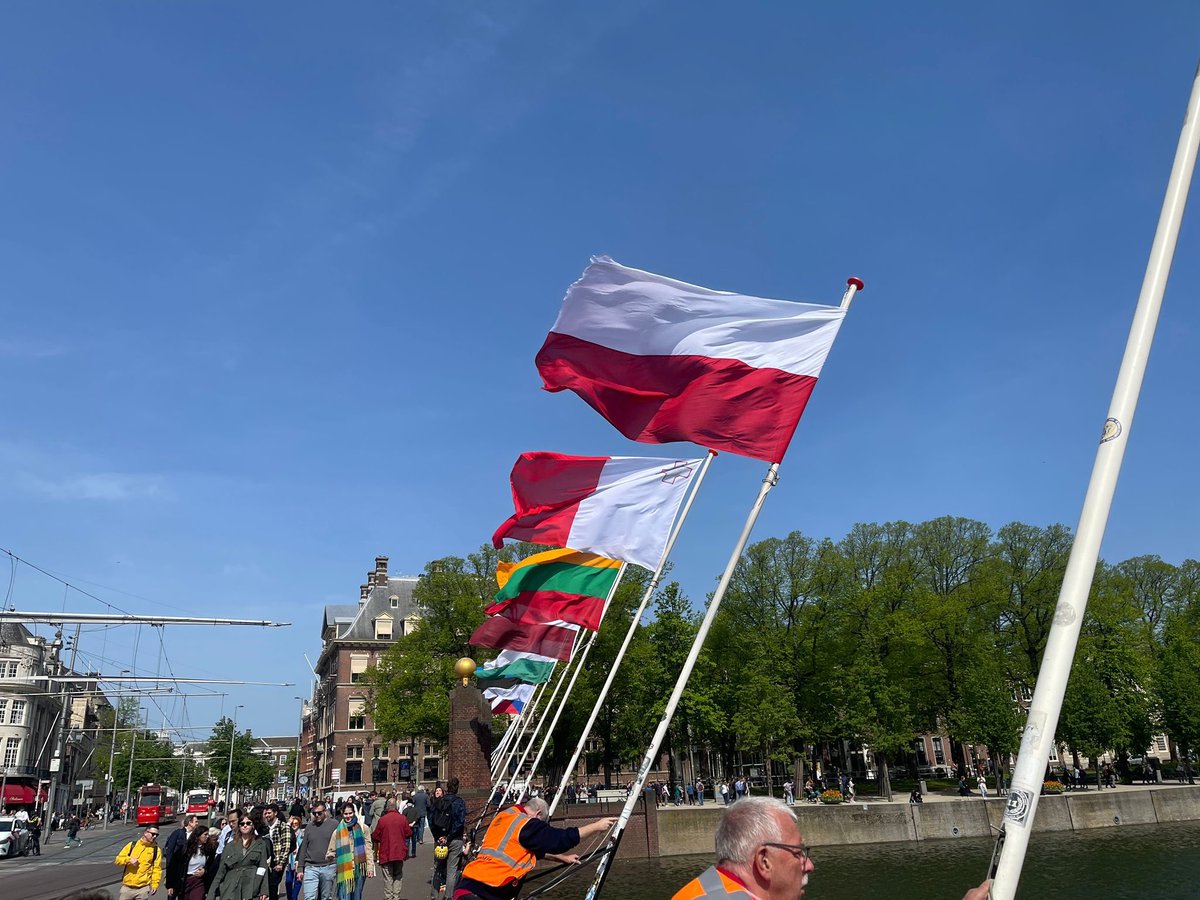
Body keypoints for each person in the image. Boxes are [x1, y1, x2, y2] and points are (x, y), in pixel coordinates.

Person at [455, 797, 615, 900]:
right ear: (538, 814)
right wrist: (596, 826)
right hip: (486, 892)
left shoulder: (505, 817)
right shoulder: (527, 824)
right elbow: (561, 840)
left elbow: (528, 849)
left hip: (466, 888)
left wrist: (563, 858)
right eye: (542, 823)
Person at [207, 812, 270, 900]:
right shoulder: (230, 846)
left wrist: (264, 890)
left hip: (251, 887)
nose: (245, 826)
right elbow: (220, 872)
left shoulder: (260, 844)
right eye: (242, 824)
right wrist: (211, 894)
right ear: (239, 826)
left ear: (253, 825)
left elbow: (263, 867)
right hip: (231, 888)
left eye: (248, 823)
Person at [325, 802, 371, 900]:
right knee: (344, 897)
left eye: (350, 813)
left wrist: (370, 867)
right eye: (346, 814)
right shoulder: (337, 832)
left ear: (354, 813)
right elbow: (331, 850)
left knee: (357, 896)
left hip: (359, 869)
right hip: (344, 869)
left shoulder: (363, 828)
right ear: (342, 814)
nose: (348, 816)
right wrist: (330, 855)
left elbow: (368, 848)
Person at [371, 798, 412, 900]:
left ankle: (389, 897)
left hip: (386, 852)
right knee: (398, 875)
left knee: (388, 877)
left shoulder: (382, 820)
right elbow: (408, 833)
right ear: (396, 807)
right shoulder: (402, 818)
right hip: (399, 852)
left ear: (387, 807)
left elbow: (375, 836)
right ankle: (396, 896)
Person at [295, 801, 337, 900]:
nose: (317, 815)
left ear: (325, 811)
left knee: (326, 897)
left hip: (329, 866)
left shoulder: (334, 824)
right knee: (309, 897)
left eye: (319, 813)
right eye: (314, 813)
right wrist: (300, 869)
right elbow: (304, 847)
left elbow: (340, 845)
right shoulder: (310, 826)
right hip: (311, 867)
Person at [167, 826, 218, 900]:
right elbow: (173, 867)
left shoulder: (209, 850)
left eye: (208, 835)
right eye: (205, 834)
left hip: (199, 881)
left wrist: (205, 870)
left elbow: (212, 866)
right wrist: (170, 885)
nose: (207, 837)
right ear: (198, 836)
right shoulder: (185, 849)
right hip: (185, 881)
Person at [115, 825, 164, 900]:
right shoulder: (132, 845)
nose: (154, 837)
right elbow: (118, 860)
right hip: (127, 888)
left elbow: (156, 869)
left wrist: (155, 884)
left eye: (156, 835)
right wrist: (129, 860)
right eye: (153, 834)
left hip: (143, 889)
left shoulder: (156, 850)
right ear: (145, 833)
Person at [442, 777, 468, 897]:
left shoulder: (441, 801)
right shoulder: (459, 802)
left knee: (438, 868)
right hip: (455, 839)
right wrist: (450, 835)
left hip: (440, 839)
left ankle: (434, 894)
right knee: (452, 870)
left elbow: (432, 819)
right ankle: (448, 897)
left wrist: (440, 836)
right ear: (457, 787)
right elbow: (460, 821)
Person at [265, 804, 295, 900]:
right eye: (266, 813)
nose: (267, 815)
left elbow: (286, 846)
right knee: (266, 886)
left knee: (273, 886)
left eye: (269, 813)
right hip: (266, 860)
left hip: (277, 860)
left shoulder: (283, 827)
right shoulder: (266, 827)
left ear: (275, 813)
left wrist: (281, 863)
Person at [164, 815, 201, 891]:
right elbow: (170, 850)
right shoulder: (178, 833)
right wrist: (169, 867)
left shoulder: (196, 836)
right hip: (176, 869)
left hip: (187, 871)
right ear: (190, 822)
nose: (197, 823)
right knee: (172, 894)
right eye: (196, 821)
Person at [285, 816, 304, 900]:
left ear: (299, 824)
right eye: (292, 824)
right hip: (289, 860)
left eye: (296, 823)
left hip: (299, 860)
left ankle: (294, 897)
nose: (294, 825)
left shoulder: (303, 834)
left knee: (298, 880)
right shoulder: (288, 833)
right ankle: (290, 898)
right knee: (288, 881)